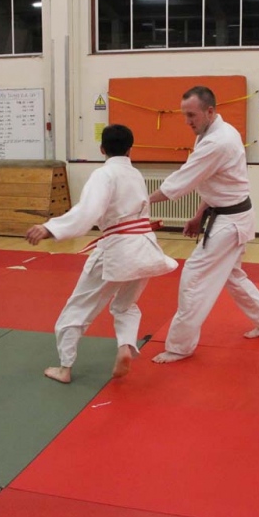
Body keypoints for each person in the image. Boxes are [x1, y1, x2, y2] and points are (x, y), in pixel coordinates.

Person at [26, 124, 177, 383]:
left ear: (102, 149)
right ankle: (125, 346)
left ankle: (65, 367)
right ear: (130, 150)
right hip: (144, 249)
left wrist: (50, 227)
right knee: (125, 305)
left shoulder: (103, 174)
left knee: (78, 308)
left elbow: (88, 211)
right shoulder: (135, 174)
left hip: (117, 249)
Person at [148, 86, 259, 364]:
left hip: (230, 222)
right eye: (184, 115)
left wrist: (140, 203)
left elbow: (180, 182)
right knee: (232, 274)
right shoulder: (213, 133)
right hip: (230, 214)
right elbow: (212, 182)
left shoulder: (218, 141)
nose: (187, 121)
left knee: (193, 277)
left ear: (209, 111)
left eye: (191, 115)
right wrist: (199, 214)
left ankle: (180, 346)